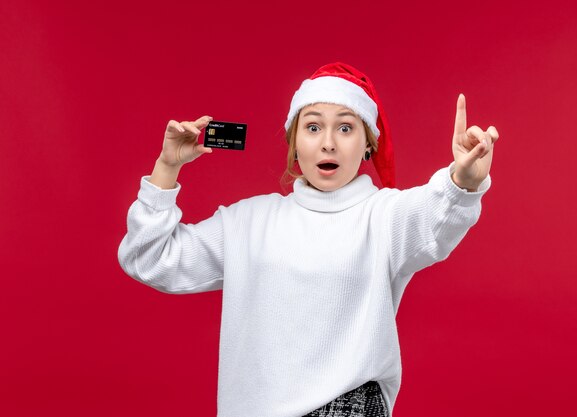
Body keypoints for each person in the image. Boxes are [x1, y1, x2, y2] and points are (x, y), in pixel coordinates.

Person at [117, 62, 500, 417]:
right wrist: (167, 168)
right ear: (294, 142)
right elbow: (151, 258)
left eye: (345, 128)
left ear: (368, 143)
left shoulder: (384, 216)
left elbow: (435, 214)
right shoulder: (249, 222)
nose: (328, 143)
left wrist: (462, 182)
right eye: (313, 127)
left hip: (348, 406)